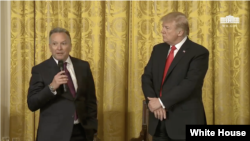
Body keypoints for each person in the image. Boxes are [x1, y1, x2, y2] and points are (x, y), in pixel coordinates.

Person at [141, 12, 209, 141]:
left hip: (184, 122)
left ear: (180, 32)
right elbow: (146, 77)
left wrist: (161, 102)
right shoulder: (158, 49)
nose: (162, 31)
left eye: (167, 28)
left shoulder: (198, 52)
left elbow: (189, 84)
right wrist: (153, 102)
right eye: (163, 27)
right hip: (158, 120)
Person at [27, 27, 97, 141]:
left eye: (63, 43)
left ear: (70, 46)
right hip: (53, 135)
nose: (59, 48)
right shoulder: (40, 70)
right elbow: (32, 103)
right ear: (50, 47)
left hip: (81, 132)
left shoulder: (83, 66)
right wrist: (51, 87)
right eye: (55, 44)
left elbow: (91, 100)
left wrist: (93, 129)